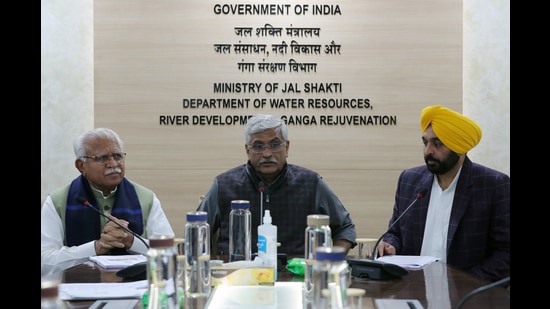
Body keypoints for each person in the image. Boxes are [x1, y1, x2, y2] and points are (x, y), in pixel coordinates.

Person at [377, 105, 510, 283]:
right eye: (425, 143)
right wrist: (391, 246)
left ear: (459, 147)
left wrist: (464, 283)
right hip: (413, 291)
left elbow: (505, 253)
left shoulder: (493, 185)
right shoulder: (409, 180)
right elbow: (395, 232)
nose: (428, 151)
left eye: (437, 144)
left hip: (468, 298)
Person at [197, 114, 357, 257]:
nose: (267, 154)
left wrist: (329, 262)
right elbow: (197, 232)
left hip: (296, 279)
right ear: (247, 150)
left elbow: (345, 228)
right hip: (236, 278)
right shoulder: (224, 184)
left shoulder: (311, 183)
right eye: (258, 146)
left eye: (274, 145)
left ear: (286, 147)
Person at [41, 128, 174, 276]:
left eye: (117, 156)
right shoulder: (57, 201)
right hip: (76, 294)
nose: (113, 164)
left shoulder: (146, 198)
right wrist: (96, 248)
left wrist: (130, 241)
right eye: (101, 158)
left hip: (137, 292)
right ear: (81, 165)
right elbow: (44, 262)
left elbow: (169, 252)